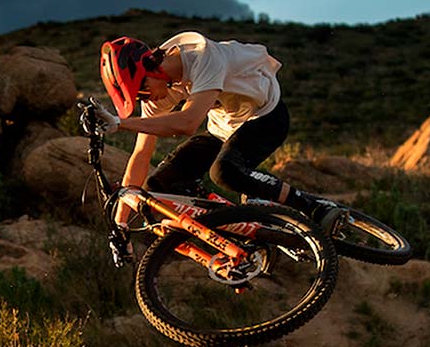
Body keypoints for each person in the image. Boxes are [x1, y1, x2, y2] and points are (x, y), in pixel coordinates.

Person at [94, 31, 303, 263]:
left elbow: (187, 123)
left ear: (151, 69)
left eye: (141, 91)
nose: (145, 99)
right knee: (159, 187)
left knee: (223, 172)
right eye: (137, 97)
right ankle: (249, 238)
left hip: (265, 116)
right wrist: (120, 223)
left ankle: (308, 206)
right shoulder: (157, 91)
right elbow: (141, 155)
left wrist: (120, 124)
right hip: (224, 129)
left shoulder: (202, 56)